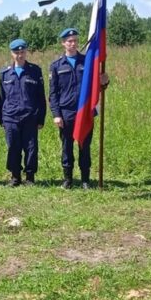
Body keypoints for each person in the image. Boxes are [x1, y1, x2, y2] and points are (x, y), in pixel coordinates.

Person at [49, 27, 108, 189]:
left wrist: (104, 82)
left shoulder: (88, 62)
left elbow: (96, 87)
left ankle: (85, 180)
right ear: (63, 43)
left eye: (75, 40)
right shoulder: (56, 66)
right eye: (69, 41)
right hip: (66, 113)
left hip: (85, 112)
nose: (73, 43)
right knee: (67, 147)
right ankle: (68, 179)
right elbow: (53, 93)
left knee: (84, 147)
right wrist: (56, 114)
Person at [0, 39, 46, 186]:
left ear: (26, 52)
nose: (20, 55)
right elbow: (2, 97)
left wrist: (41, 118)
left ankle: (30, 177)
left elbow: (41, 96)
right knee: (13, 147)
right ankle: (15, 176)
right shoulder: (5, 73)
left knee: (31, 148)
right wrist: (1, 119)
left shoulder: (35, 71)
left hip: (30, 116)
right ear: (11, 53)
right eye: (16, 52)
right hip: (10, 116)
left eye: (22, 52)